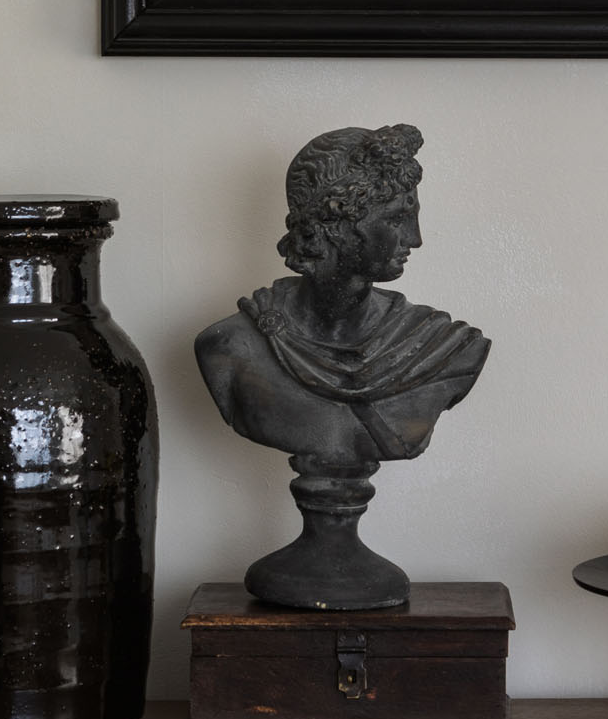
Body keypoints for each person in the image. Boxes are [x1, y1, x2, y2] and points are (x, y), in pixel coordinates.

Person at [196, 124, 489, 606]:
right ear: (337, 223)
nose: (415, 238)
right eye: (397, 218)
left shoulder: (447, 349)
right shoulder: (229, 348)